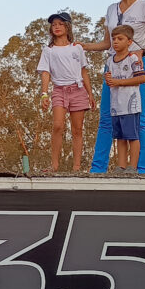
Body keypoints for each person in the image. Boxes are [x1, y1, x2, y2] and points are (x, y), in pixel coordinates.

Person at [82, 0, 145, 173]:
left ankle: (144, 169)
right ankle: (98, 169)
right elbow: (106, 43)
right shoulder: (111, 9)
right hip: (112, 66)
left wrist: (141, 52)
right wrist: (83, 46)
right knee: (106, 118)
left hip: (135, 66)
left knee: (140, 118)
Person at [37, 12, 95, 171]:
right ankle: (54, 165)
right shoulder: (48, 50)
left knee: (77, 129)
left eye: (60, 24)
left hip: (78, 89)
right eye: (54, 24)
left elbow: (83, 71)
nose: (57, 27)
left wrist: (90, 93)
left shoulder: (77, 48)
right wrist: (44, 94)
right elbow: (45, 72)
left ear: (68, 27)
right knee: (57, 125)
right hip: (59, 90)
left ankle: (76, 167)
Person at [105, 25, 145, 174]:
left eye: (120, 38)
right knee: (120, 137)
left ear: (129, 42)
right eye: (114, 38)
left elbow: (141, 78)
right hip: (116, 106)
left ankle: (132, 166)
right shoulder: (110, 60)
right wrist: (109, 79)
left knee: (132, 136)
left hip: (130, 105)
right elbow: (109, 78)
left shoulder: (133, 58)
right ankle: (121, 165)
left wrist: (119, 82)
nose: (115, 41)